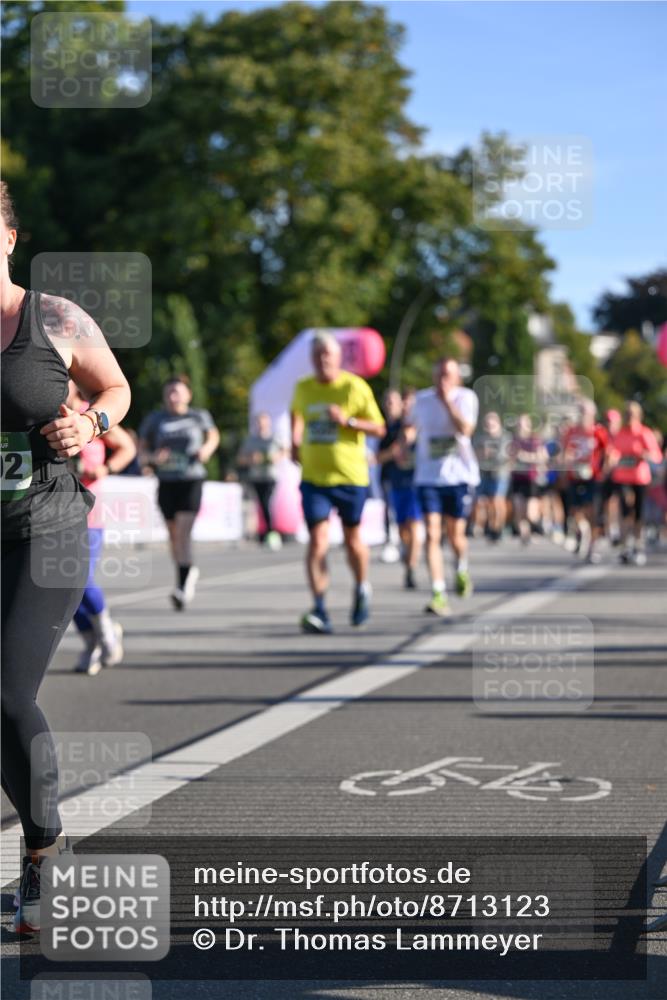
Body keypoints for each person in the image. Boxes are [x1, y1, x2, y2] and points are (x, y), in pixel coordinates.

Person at [1, 181, 131, 933]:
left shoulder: (52, 318)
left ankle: (46, 851)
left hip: (45, 532)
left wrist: (92, 422)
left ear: (10, 240)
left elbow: (114, 384)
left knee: (6, 691)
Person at [290, 332, 385, 633]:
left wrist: (349, 422)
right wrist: (294, 440)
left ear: (339, 357)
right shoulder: (303, 388)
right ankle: (319, 608)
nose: (323, 360)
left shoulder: (354, 387)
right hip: (315, 478)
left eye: (328, 355)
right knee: (317, 541)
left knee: (352, 541)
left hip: (350, 477)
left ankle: (361, 587)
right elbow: (297, 418)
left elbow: (380, 428)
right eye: (318, 356)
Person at [68, 382, 136, 674]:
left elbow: (127, 447)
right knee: (60, 587)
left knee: (80, 578)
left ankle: (106, 631)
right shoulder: (36, 417)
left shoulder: (90, 415)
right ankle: (90, 641)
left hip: (89, 512)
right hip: (51, 511)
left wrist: (104, 469)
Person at [404, 358, 479, 616]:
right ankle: (438, 592)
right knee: (433, 535)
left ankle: (461, 568)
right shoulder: (421, 400)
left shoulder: (466, 398)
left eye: (448, 375)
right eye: (439, 374)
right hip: (428, 477)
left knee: (456, 535)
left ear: (458, 377)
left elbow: (466, 429)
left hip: (459, 478)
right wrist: (405, 442)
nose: (443, 380)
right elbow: (410, 426)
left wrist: (447, 402)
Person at [138, 375, 219, 609]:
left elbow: (213, 435)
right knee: (174, 537)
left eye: (178, 392)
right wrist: (152, 458)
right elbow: (142, 449)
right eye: (169, 393)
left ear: (188, 395)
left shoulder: (198, 416)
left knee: (183, 533)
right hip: (166, 481)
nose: (173, 397)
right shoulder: (156, 419)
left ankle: (182, 587)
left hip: (191, 479)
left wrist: (206, 449)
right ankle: (186, 570)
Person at [606, 401, 662, 565]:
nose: (629, 417)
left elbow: (656, 456)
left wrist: (645, 455)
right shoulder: (621, 434)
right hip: (622, 478)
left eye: (632, 414)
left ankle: (637, 545)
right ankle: (625, 546)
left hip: (639, 478)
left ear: (638, 416)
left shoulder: (644, 433)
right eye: (627, 414)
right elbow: (612, 452)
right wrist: (613, 459)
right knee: (624, 510)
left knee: (638, 514)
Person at [377, 388, 422, 588]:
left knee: (414, 525)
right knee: (403, 527)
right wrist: (396, 450)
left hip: (418, 483)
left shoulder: (424, 428)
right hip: (396, 481)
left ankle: (411, 568)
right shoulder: (393, 428)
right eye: (406, 402)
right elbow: (379, 457)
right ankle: (408, 556)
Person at [561, 399, 608, 562]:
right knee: (575, 511)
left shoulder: (598, 431)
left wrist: (603, 470)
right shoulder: (571, 432)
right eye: (580, 411)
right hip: (575, 476)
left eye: (585, 412)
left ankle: (592, 546)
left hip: (593, 476)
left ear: (592, 414)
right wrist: (568, 463)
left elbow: (608, 452)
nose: (582, 415)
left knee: (592, 511)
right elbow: (565, 453)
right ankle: (584, 533)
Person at [237, 411, 285, 549]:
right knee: (259, 505)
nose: (261, 425)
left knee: (266, 503)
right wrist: (250, 459)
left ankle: (271, 533)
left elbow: (285, 451)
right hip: (256, 477)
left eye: (263, 422)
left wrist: (275, 457)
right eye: (258, 422)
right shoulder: (250, 440)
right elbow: (240, 458)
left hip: (270, 476)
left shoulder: (274, 438)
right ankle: (265, 533)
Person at [508, 414, 548, 544]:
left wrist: (525, 457)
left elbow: (543, 457)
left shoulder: (534, 440)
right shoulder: (513, 441)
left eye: (523, 423)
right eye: (518, 424)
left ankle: (542, 525)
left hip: (531, 479)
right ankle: (525, 536)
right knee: (519, 510)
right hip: (517, 478)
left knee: (530, 513)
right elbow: (509, 459)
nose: (520, 426)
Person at [473, 411, 511, 542]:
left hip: (500, 473)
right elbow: (475, 455)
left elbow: (507, 456)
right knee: (486, 502)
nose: (490, 426)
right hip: (484, 473)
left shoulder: (505, 438)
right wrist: (482, 454)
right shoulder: (480, 438)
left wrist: (491, 454)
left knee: (497, 500)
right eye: (487, 423)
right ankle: (491, 525)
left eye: (492, 423)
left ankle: (498, 527)